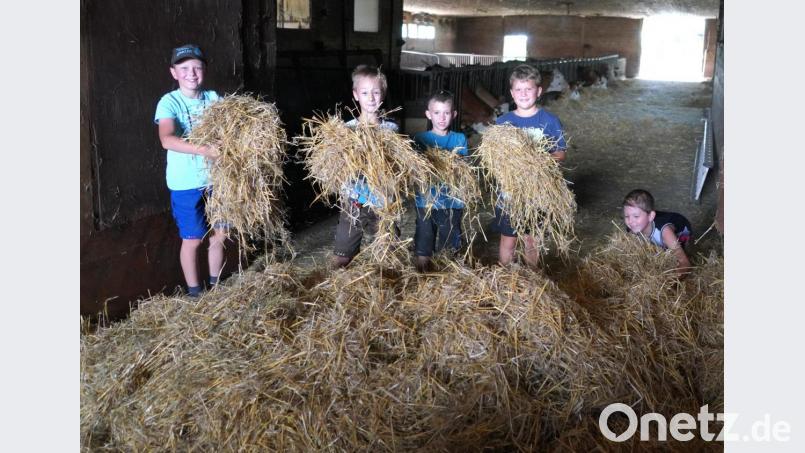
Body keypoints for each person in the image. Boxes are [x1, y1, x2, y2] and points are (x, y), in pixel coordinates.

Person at [154, 44, 227, 297]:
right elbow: (167, 139)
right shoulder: (168, 102)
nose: (191, 73)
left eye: (197, 67)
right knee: (193, 239)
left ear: (204, 70)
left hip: (217, 179)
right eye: (184, 68)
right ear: (174, 72)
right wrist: (204, 149)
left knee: (220, 233)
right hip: (186, 182)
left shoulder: (214, 99)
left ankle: (216, 287)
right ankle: (195, 292)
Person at [494, 64, 567, 269]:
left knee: (532, 240)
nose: (523, 94)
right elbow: (495, 156)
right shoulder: (503, 122)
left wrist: (536, 161)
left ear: (539, 91)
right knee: (508, 240)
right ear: (511, 93)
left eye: (528, 89)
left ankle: (532, 279)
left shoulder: (550, 121)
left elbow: (560, 153)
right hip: (510, 193)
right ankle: (506, 277)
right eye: (518, 89)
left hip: (538, 194)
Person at [332, 65, 399, 268]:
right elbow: (338, 164)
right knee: (342, 255)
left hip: (383, 202)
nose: (371, 98)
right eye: (365, 92)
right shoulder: (347, 130)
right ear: (355, 95)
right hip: (354, 201)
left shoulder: (391, 129)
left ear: (383, 94)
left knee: (389, 253)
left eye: (376, 92)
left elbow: (397, 164)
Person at [412, 90, 468, 272]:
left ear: (454, 114)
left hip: (452, 200)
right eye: (437, 113)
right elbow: (415, 169)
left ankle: (447, 276)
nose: (442, 118)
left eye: (446, 113)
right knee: (424, 237)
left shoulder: (460, 138)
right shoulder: (420, 139)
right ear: (428, 114)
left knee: (450, 237)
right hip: (426, 199)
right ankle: (421, 275)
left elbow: (463, 167)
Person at [622, 189, 693, 274]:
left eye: (636, 216)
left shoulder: (665, 232)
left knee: (672, 254)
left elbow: (686, 263)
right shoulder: (633, 228)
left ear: (651, 216)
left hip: (682, 230)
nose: (630, 221)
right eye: (627, 216)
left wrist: (669, 281)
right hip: (654, 222)